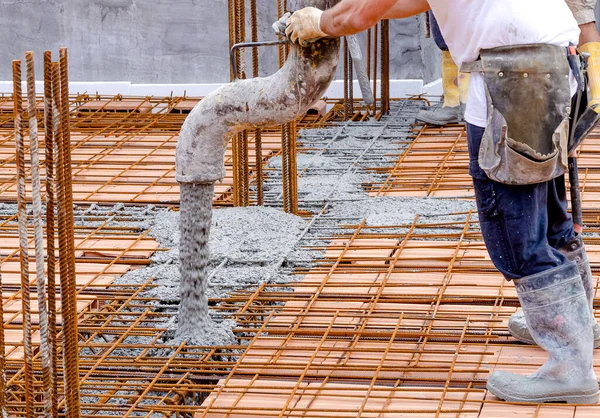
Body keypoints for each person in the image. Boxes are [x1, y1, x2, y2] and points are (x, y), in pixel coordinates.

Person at [286, 0, 600, 404]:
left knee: (515, 234)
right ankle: (578, 325)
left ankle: (570, 368)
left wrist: (318, 22)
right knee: (550, 212)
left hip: (512, 82)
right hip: (553, 70)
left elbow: (357, 15)